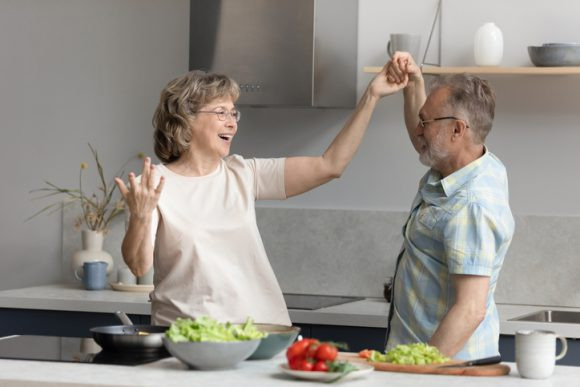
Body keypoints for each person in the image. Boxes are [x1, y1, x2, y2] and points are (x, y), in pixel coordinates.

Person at [114, 68, 404, 327]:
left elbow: (331, 165)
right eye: (221, 113)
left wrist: (372, 96)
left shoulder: (243, 174)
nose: (232, 123)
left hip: (259, 334)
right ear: (186, 119)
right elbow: (139, 266)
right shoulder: (151, 186)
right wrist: (140, 215)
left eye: (233, 113)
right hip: (189, 340)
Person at [383, 52, 515, 360]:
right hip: (436, 364)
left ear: (457, 130)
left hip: (446, 368)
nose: (418, 130)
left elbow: (470, 309)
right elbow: (426, 143)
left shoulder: (471, 205)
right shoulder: (468, 164)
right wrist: (413, 83)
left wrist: (419, 373)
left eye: (425, 122)